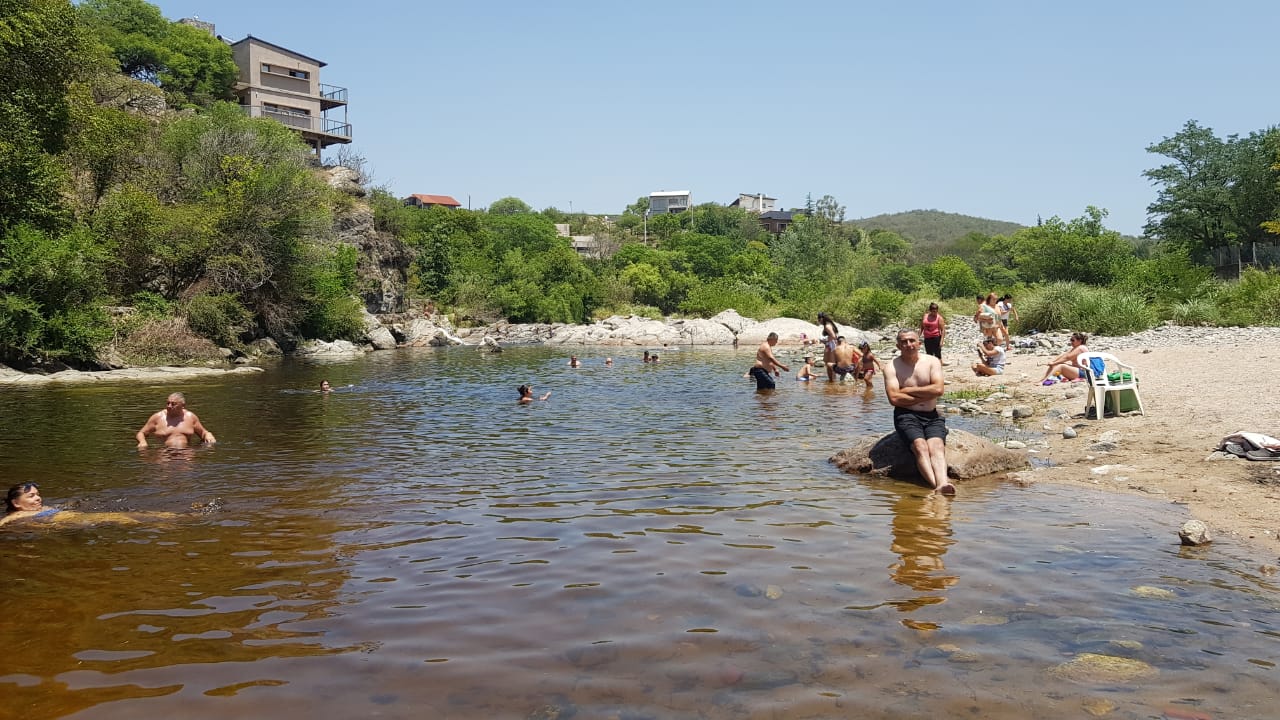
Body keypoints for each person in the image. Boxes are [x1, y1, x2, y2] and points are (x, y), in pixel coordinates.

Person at [875, 329, 955, 495]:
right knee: (920, 446)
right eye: (904, 342)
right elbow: (894, 399)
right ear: (898, 345)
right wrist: (925, 395)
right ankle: (938, 486)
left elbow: (939, 389)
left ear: (919, 343)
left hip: (932, 415)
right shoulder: (892, 367)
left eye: (912, 341)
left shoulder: (932, 361)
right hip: (906, 415)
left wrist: (908, 390)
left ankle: (942, 483)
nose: (908, 345)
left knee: (936, 446)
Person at [2, 483, 181, 528]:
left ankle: (167, 519)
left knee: (137, 514)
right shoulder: (16, 516)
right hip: (77, 521)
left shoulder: (41, 509)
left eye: (38, 494)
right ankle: (168, 520)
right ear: (16, 503)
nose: (38, 498)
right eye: (31, 496)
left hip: (78, 518)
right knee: (122, 518)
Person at [136, 392, 217, 449]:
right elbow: (141, 433)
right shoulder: (158, 417)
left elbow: (203, 432)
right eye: (168, 403)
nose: (169, 406)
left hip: (186, 457)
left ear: (183, 405)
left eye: (173, 404)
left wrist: (208, 434)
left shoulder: (190, 417)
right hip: (165, 456)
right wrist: (142, 442)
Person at [817, 312, 841, 382]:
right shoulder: (830, 324)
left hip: (831, 345)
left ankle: (831, 380)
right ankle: (832, 380)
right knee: (830, 363)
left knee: (829, 363)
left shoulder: (827, 326)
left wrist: (825, 340)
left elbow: (833, 336)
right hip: (832, 345)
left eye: (818, 320)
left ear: (821, 319)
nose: (819, 321)